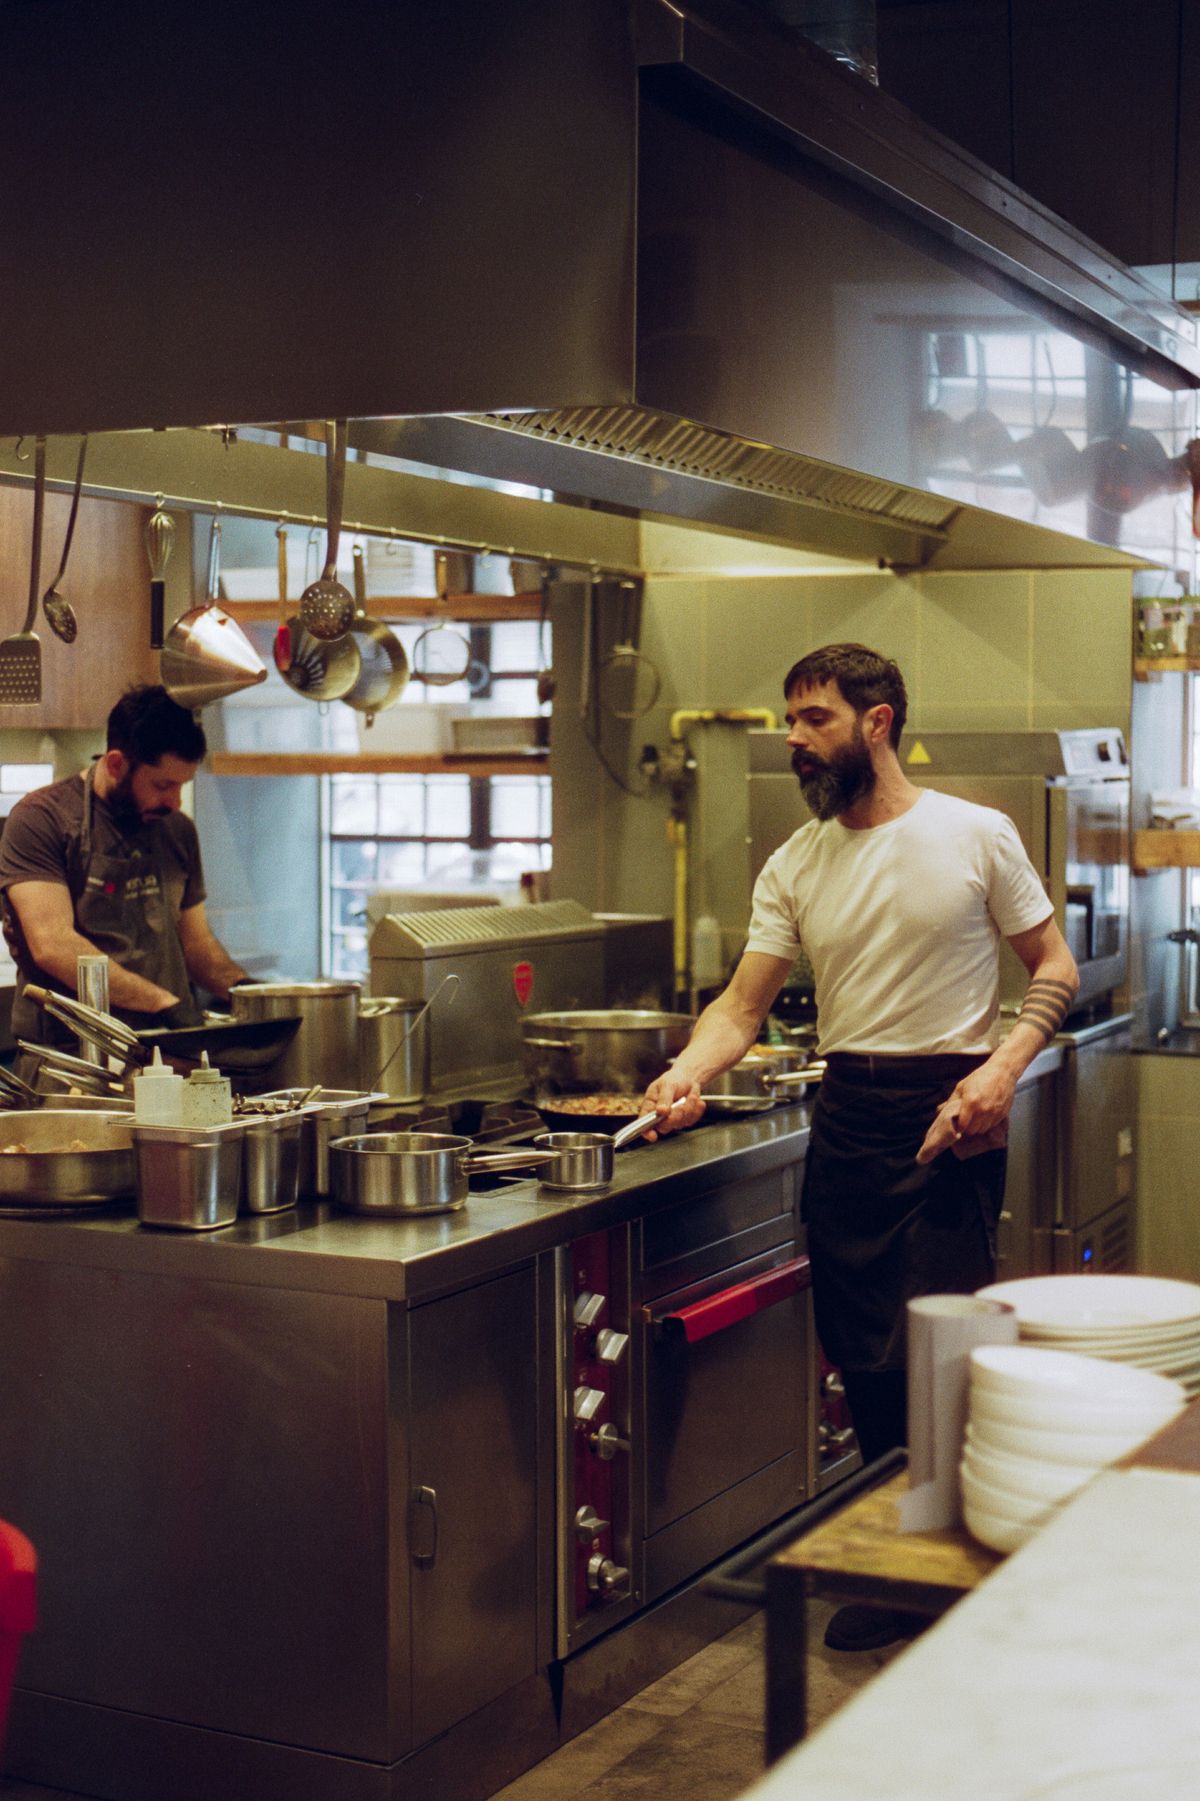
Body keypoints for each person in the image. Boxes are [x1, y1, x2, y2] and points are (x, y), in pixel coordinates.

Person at [643, 643, 1078, 1651]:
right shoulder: (796, 861)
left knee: (937, 1352)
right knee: (858, 1350)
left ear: (876, 722)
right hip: (849, 1112)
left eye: (813, 718)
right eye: (789, 719)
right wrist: (688, 1073)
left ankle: (957, 1565)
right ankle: (912, 1563)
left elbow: (1049, 966)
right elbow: (741, 1006)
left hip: (949, 1108)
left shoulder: (976, 834)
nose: (793, 739)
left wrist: (1003, 1068)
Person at [0, 684, 248, 1064]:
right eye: (163, 785)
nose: (175, 802)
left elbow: (195, 945)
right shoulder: (41, 820)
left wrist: (252, 995)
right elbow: (53, 945)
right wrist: (162, 1003)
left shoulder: (176, 830)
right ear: (116, 764)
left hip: (164, 1058)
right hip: (70, 1064)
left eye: (182, 785)